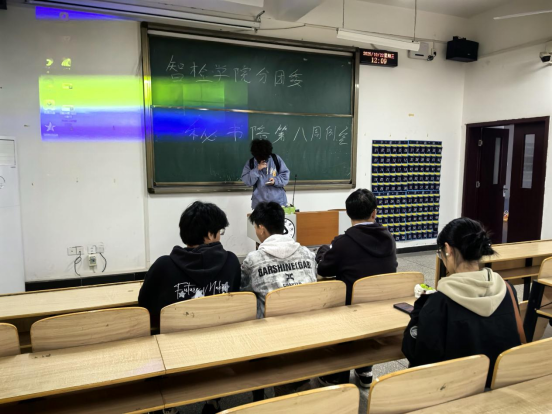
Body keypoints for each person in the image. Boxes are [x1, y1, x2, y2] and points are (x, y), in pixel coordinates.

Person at [402, 218, 524, 387]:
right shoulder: (507, 290)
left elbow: (418, 357)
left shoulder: (438, 303)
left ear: (448, 249)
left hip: (457, 391)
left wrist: (419, 311)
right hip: (503, 385)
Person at [317, 188, 397, 388]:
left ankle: (336, 373)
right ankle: (365, 368)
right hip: (382, 308)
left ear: (348, 213)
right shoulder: (389, 239)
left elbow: (324, 269)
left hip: (350, 312)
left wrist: (324, 252)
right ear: (374, 213)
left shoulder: (343, 243)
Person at [139, 202, 241, 326]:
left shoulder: (162, 266)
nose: (220, 235)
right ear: (210, 234)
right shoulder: (231, 262)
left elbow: (145, 307)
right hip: (223, 334)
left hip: (175, 336)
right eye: (220, 231)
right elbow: (238, 304)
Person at [241, 202, 317, 319]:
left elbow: (244, 293)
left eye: (255, 227)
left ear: (261, 228)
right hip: (307, 319)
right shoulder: (307, 254)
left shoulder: (253, 260)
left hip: (269, 324)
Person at [241, 139, 290, 209]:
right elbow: (247, 181)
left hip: (278, 202)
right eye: (259, 158)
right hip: (259, 203)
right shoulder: (251, 163)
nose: (262, 159)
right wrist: (257, 169)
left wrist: (275, 181)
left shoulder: (276, 159)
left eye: (265, 157)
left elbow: (285, 176)